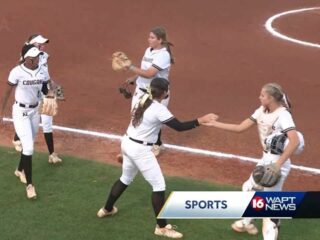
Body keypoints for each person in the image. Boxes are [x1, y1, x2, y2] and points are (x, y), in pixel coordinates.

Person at [97, 78, 217, 239]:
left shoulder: (140, 99)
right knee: (159, 186)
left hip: (127, 143)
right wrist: (201, 120)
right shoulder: (158, 109)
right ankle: (161, 227)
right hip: (140, 150)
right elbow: (179, 127)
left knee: (125, 178)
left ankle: (106, 209)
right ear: (165, 93)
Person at [204, 83, 304, 240]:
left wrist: (277, 165)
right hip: (266, 159)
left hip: (278, 162)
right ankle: (247, 222)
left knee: (269, 208)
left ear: (270, 98)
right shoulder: (261, 111)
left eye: (262, 95)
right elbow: (240, 128)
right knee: (249, 188)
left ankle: (267, 226)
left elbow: (295, 141)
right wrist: (215, 124)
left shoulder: (283, 115)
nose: (259, 97)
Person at [0, 44, 51, 199]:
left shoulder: (42, 70)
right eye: (35, 56)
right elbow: (7, 92)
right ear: (27, 58)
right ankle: (30, 186)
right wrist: (1, 113)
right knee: (28, 147)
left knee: (29, 143)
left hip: (35, 111)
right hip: (20, 112)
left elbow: (46, 88)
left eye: (38, 56)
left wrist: (55, 95)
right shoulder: (17, 72)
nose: (38, 59)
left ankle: (19, 170)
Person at [12, 34, 63, 164]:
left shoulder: (44, 56)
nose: (43, 46)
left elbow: (47, 78)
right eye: (40, 44)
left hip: (44, 93)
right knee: (27, 118)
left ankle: (52, 154)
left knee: (47, 122)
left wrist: (58, 92)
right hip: (32, 97)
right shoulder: (25, 61)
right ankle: (17, 138)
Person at [126, 26, 175, 156]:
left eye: (152, 37)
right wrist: (134, 77)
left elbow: (149, 74)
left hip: (156, 93)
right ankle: (139, 143)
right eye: (149, 37)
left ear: (160, 40)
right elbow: (144, 69)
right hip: (142, 90)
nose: (149, 39)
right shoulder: (149, 50)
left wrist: (130, 67)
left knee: (155, 119)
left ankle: (157, 144)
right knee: (137, 114)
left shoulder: (163, 55)